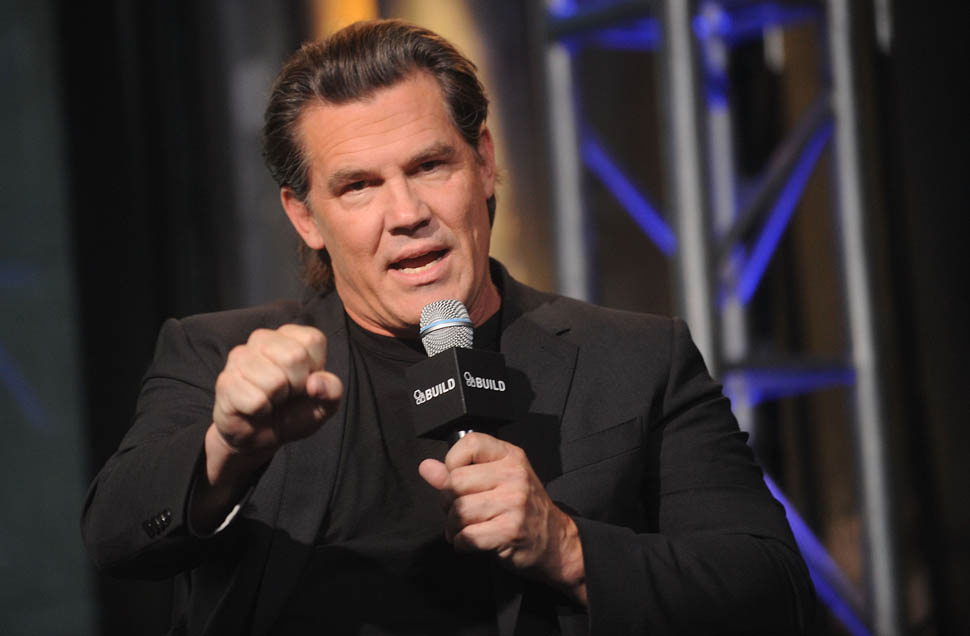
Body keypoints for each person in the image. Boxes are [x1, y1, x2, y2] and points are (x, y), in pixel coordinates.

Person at [82, 19, 814, 635]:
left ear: (484, 163)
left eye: (430, 166)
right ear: (305, 216)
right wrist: (227, 451)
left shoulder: (636, 356)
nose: (406, 214)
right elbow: (115, 536)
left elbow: (771, 590)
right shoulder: (218, 355)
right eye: (359, 186)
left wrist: (564, 546)